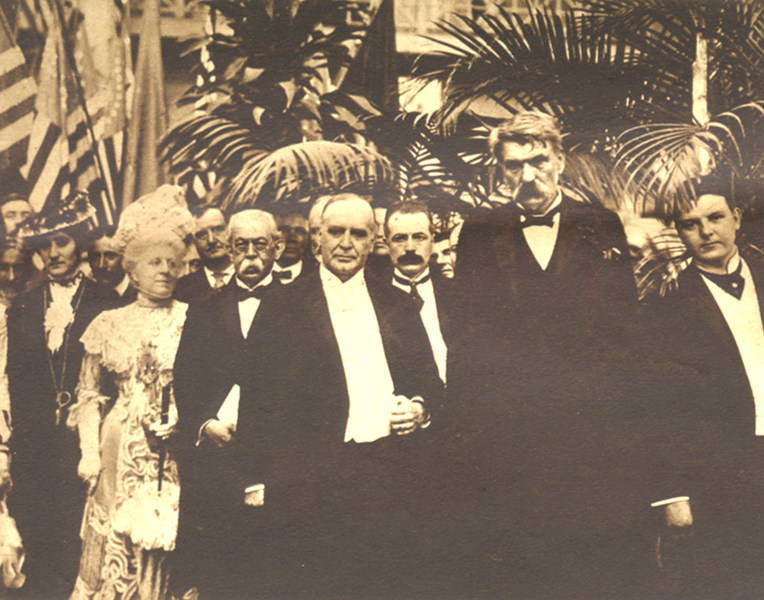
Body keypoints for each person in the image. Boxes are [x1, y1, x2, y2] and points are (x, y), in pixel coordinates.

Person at [444, 111, 643, 599]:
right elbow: (468, 336)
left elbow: (625, 330)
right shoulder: (478, 231)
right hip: (512, 430)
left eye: (538, 161)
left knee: (589, 560)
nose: (527, 176)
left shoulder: (600, 224)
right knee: (520, 563)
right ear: (499, 169)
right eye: (514, 165)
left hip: (589, 427)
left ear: (559, 160)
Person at [236, 193, 443, 599]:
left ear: (373, 243)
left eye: (358, 233)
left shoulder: (398, 304)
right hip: (310, 479)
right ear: (317, 240)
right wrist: (254, 478)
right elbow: (257, 397)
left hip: (386, 471)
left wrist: (420, 409)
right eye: (336, 232)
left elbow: (431, 385)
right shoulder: (282, 304)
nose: (346, 242)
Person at [640, 176, 764, 598]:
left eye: (715, 217)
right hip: (724, 474)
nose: (706, 231)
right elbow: (658, 410)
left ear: (737, 219)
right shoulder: (665, 310)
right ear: (678, 232)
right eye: (691, 223)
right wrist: (672, 493)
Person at [68, 185, 195, 600]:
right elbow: (88, 395)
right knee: (114, 540)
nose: (164, 270)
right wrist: (89, 450)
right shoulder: (107, 323)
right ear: (132, 269)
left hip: (175, 446)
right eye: (153, 262)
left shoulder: (194, 320)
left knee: (165, 539)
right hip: (117, 445)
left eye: (172, 262)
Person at [6, 192, 118, 598]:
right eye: (47, 244)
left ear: (80, 243)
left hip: (86, 450)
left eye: (63, 242)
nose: (54, 253)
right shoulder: (24, 306)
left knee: (82, 547)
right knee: (36, 547)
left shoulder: (107, 302)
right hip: (34, 450)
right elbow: (13, 378)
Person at [173, 209, 284, 598]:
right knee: (219, 572)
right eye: (241, 246)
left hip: (278, 463)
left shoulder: (300, 305)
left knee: (272, 571)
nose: (251, 255)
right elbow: (185, 378)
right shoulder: (204, 307)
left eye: (260, 245)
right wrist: (205, 424)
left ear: (278, 247)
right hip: (218, 461)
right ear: (230, 249)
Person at [385, 201, 452, 384]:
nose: (410, 248)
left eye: (419, 237)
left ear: (432, 240)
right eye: (399, 238)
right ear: (386, 243)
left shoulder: (456, 294)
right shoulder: (373, 296)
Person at [175, 206, 233, 302]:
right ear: (193, 241)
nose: (211, 240)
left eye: (217, 229)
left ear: (230, 230)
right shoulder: (181, 288)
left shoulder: (252, 278)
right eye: (202, 234)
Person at [87, 227, 136, 303]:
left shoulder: (142, 294)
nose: (101, 265)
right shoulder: (84, 297)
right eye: (95, 257)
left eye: (111, 256)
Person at [272, 211, 314, 283]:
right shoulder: (256, 272)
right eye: (284, 230)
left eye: (300, 231)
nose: (292, 238)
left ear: (308, 238)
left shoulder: (317, 276)